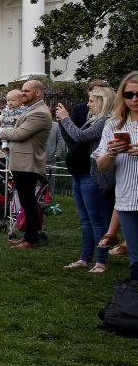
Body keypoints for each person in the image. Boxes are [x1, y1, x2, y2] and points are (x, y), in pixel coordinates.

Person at [57, 87, 116, 273]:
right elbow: (73, 141)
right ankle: (85, 258)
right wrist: (62, 123)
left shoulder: (106, 121)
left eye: (91, 101)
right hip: (80, 175)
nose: (88, 105)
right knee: (85, 220)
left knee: (97, 220)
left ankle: (101, 261)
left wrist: (66, 119)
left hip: (92, 176)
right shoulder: (93, 120)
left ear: (102, 102)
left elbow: (81, 136)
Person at [0, 80, 52, 250]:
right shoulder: (31, 110)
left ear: (38, 92)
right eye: (22, 90)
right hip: (21, 162)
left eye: (26, 91)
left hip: (28, 163)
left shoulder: (40, 113)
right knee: (26, 201)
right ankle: (29, 236)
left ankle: (32, 239)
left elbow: (20, 134)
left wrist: (1, 131)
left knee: (28, 201)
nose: (22, 93)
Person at [95, 71, 138, 280]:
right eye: (129, 95)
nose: (134, 99)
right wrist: (111, 153)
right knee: (136, 260)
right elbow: (102, 166)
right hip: (128, 200)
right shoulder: (114, 124)